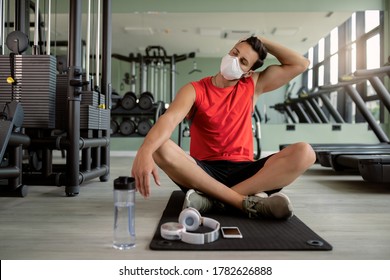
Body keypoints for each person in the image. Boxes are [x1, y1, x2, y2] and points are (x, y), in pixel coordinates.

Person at [131, 36, 316, 220]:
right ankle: (241, 201)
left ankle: (212, 201)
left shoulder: (253, 85)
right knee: (159, 147)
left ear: (248, 72)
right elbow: (169, 120)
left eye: (243, 62)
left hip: (246, 173)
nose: (234, 60)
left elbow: (300, 64)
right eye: (234, 53)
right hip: (202, 174)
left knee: (305, 152)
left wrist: (261, 40)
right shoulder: (194, 89)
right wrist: (145, 151)